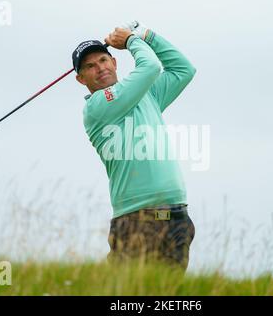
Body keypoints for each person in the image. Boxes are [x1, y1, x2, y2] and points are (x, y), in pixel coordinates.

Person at [72, 21, 196, 272]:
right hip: (135, 218)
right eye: (90, 66)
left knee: (169, 294)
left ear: (114, 63)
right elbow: (149, 67)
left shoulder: (146, 95)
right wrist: (131, 41)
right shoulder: (96, 107)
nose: (100, 68)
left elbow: (184, 69)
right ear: (80, 79)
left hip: (176, 215)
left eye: (104, 60)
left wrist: (148, 35)